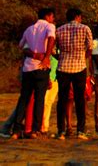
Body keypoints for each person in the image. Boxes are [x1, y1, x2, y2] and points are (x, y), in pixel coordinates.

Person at [11, 8, 56, 140]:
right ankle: (36, 130)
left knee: (24, 98)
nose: (53, 19)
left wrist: (34, 53)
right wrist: (47, 56)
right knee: (39, 99)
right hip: (41, 67)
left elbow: (22, 46)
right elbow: (51, 38)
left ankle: (17, 130)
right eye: (52, 16)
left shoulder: (29, 29)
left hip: (28, 68)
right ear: (48, 16)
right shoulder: (49, 26)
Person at [55, 8, 93, 140]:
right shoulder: (85, 28)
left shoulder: (59, 30)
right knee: (80, 99)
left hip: (63, 67)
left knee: (62, 100)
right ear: (77, 17)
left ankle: (61, 131)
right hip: (79, 67)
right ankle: (80, 131)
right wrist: (83, 57)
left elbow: (53, 49)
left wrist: (61, 57)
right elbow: (90, 48)